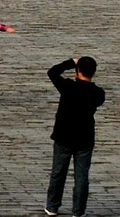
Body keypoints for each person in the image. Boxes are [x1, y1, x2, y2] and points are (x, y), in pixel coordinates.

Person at [44, 56, 105, 217]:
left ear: (77, 71)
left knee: (58, 172)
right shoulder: (98, 93)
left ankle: (52, 206)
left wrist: (71, 62)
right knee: (81, 177)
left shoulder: (68, 87)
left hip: (63, 136)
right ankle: (78, 211)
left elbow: (52, 72)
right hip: (85, 138)